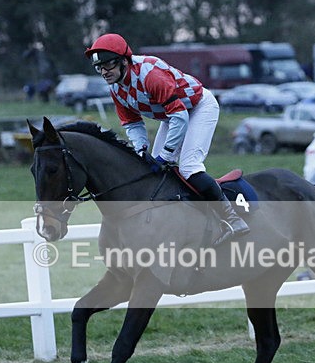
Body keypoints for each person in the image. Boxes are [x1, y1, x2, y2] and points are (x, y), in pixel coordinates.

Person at [85, 33, 249, 246]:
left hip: (198, 107)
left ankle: (232, 219)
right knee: (151, 171)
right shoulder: (116, 89)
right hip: (172, 115)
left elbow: (180, 117)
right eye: (99, 68)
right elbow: (132, 124)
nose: (104, 72)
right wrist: (141, 151)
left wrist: (166, 156)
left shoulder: (150, 75)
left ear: (124, 61)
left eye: (108, 65)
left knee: (189, 167)